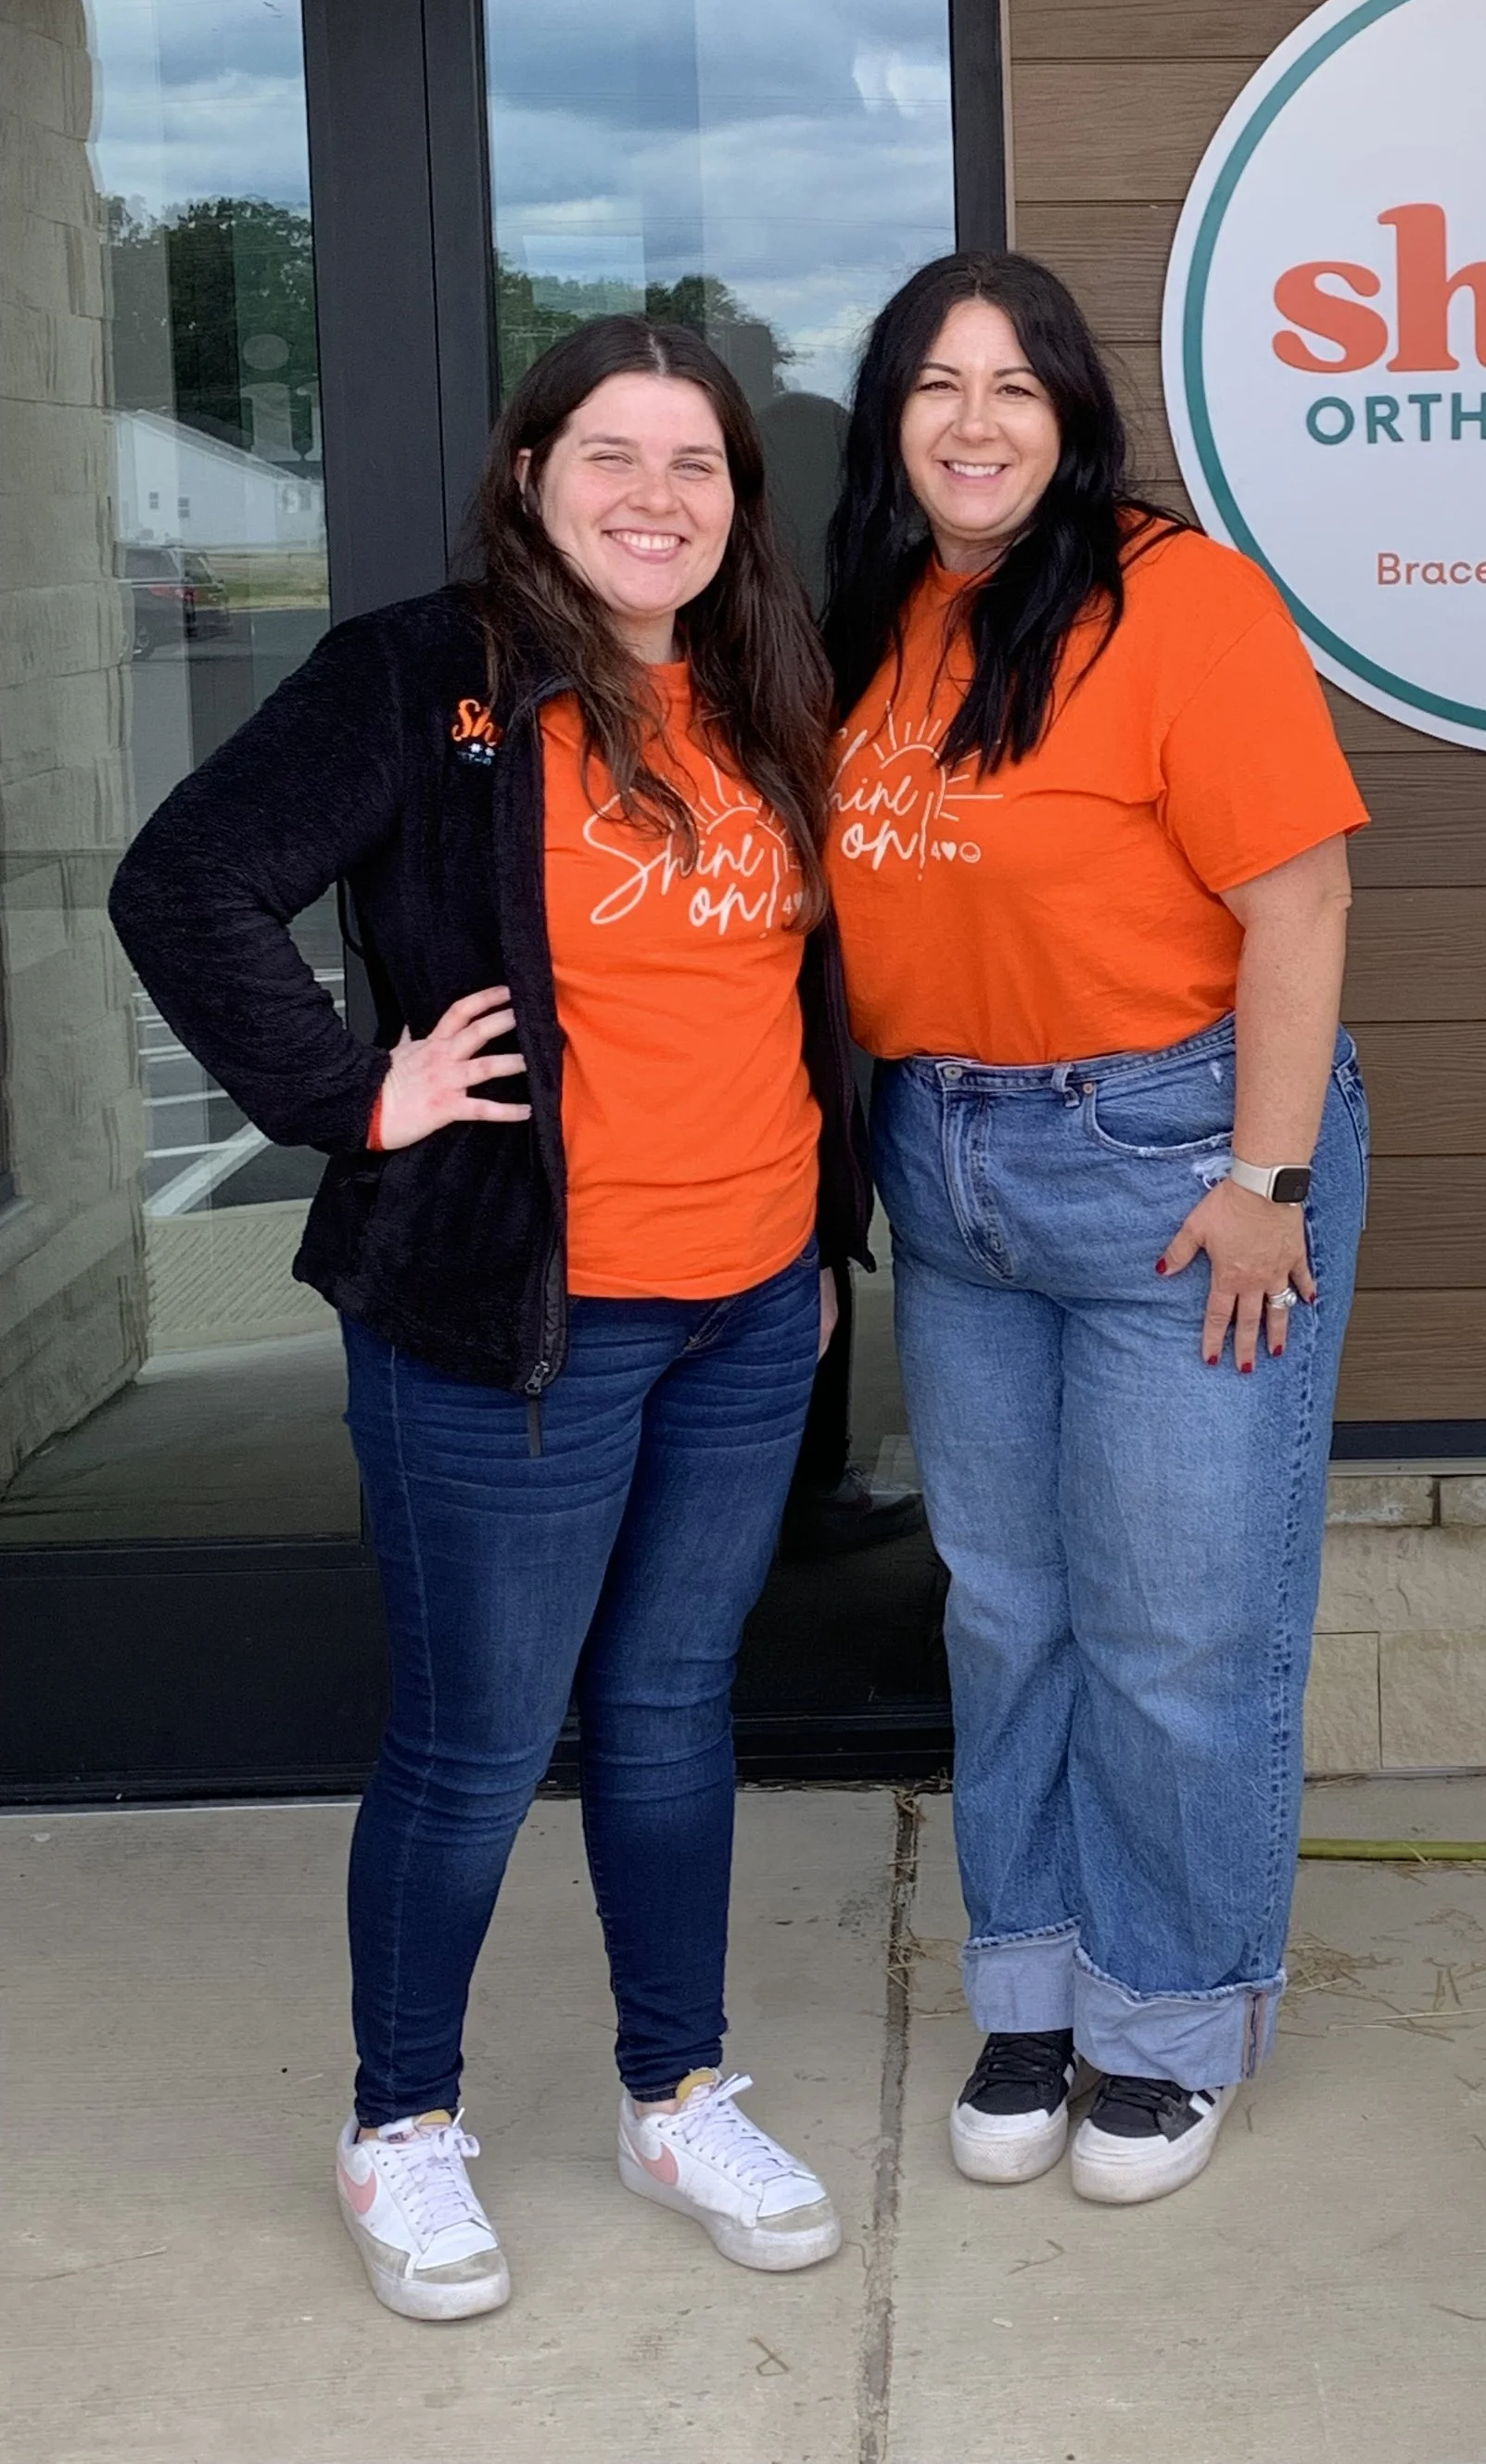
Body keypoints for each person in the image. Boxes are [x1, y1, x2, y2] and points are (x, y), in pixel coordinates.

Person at [109, 314, 871, 2321]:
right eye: (611, 453)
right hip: (512, 1314)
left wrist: (815, 1248)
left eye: (695, 463)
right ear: (531, 475)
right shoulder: (419, 675)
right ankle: (400, 2124)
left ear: (739, 503)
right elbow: (183, 883)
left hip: (743, 1308)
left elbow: (795, 997)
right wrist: (353, 1096)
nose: (654, 497)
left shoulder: (766, 687)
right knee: (478, 1743)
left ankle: (673, 2091)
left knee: (671, 1708)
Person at [823, 250, 1370, 2209]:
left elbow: (1300, 902)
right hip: (951, 1162)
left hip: (1175, 1156)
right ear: (889, 419)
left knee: (1172, 1623)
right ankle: (1037, 1990)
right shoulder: (881, 617)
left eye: (1015, 386)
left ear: (1071, 418)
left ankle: (1171, 2017)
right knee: (1006, 1610)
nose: (974, 423)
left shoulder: (1177, 598)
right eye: (936, 384)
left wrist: (1268, 1182)